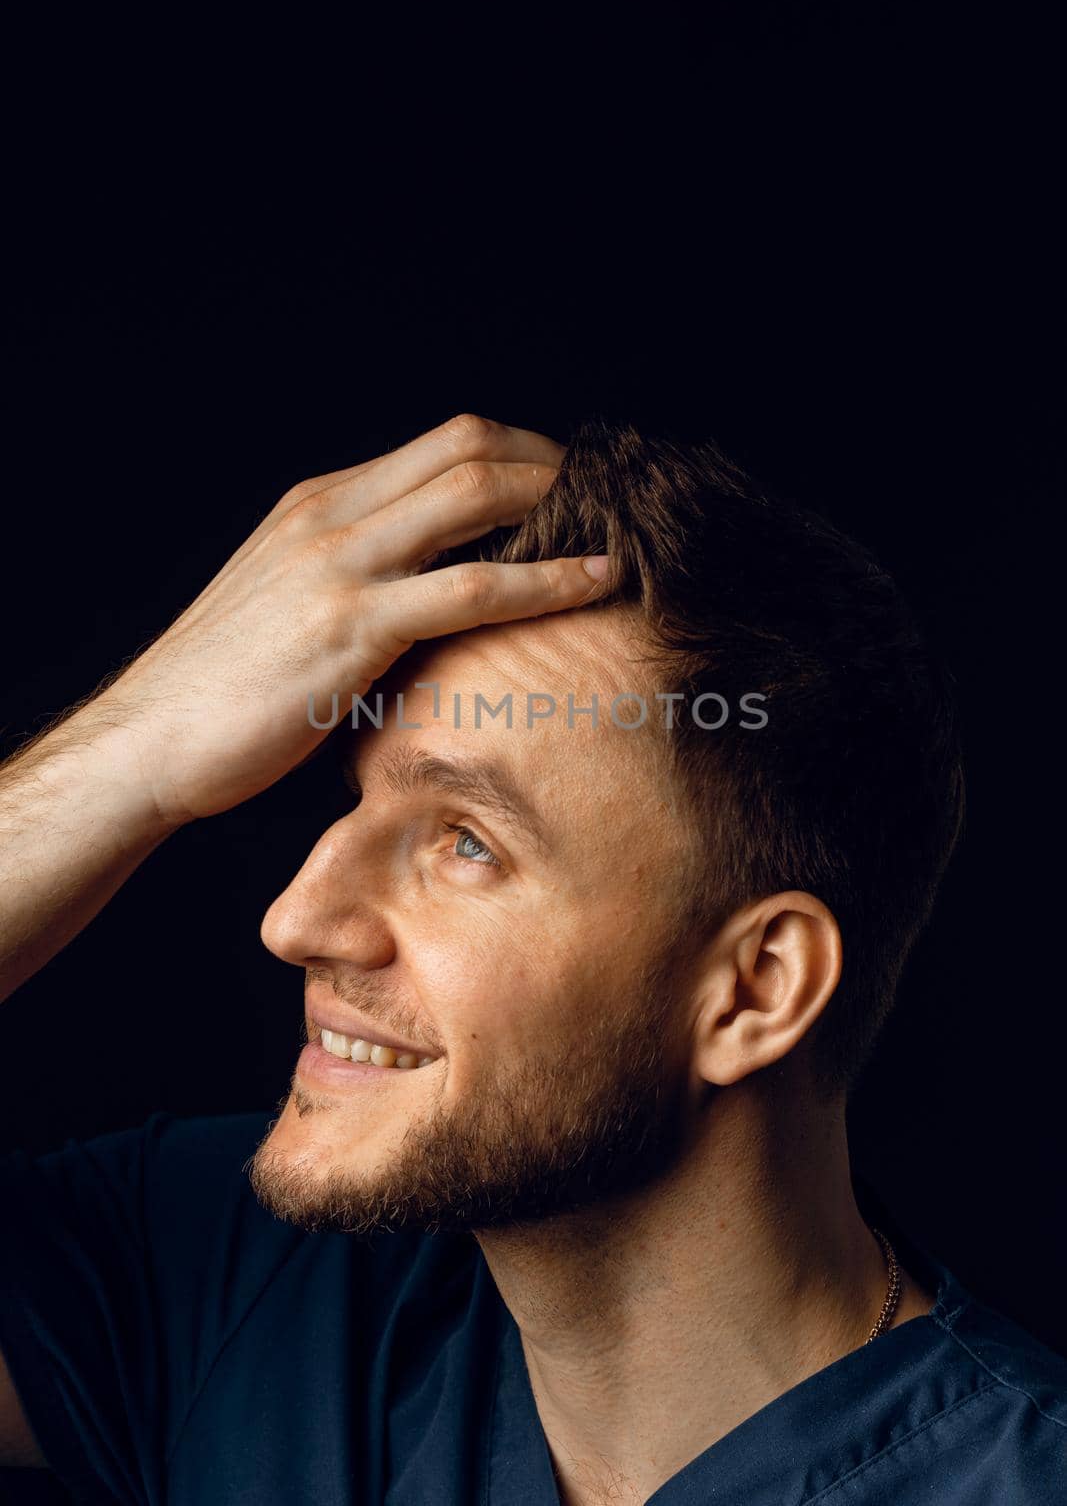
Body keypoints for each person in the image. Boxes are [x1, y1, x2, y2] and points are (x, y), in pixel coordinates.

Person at [0, 414, 1063, 1506]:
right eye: (359, 798)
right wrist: (137, 747)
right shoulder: (247, 1289)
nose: (296, 919)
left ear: (754, 988)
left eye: (465, 842)